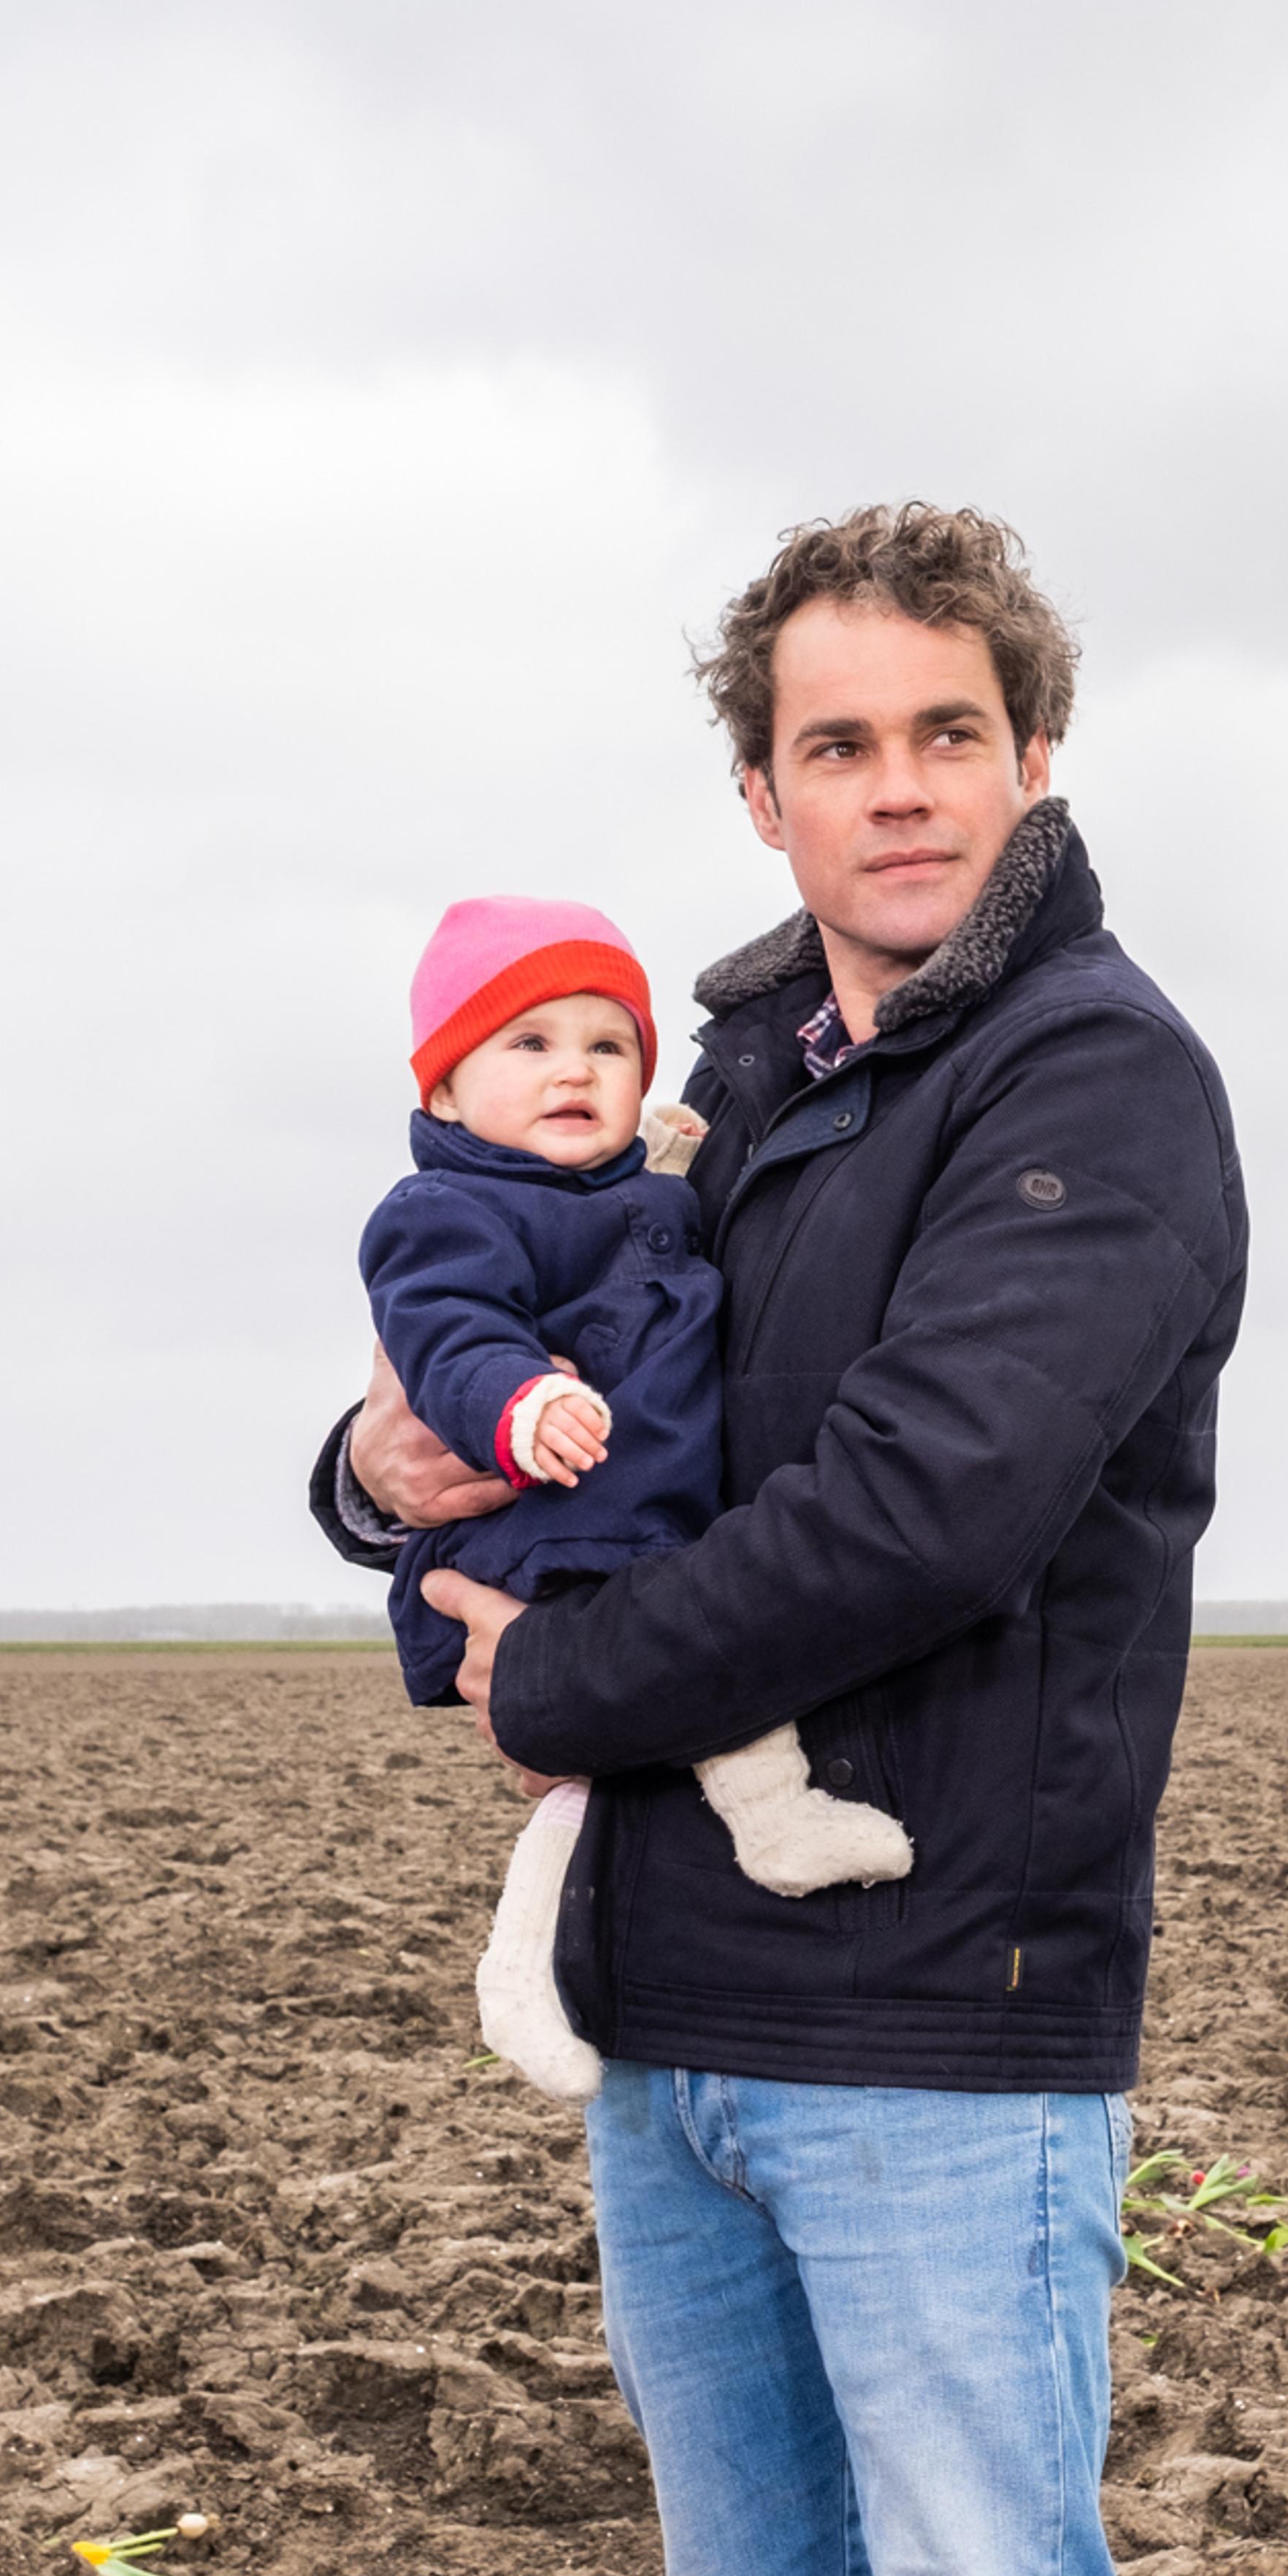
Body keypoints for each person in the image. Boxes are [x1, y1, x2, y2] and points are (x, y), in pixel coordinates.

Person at [310, 502, 1246, 2576]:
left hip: (947, 2019)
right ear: (759, 785)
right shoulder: (712, 1086)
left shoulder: (1094, 1088)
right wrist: (381, 1475)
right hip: (678, 2014)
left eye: (944, 728)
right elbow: (495, 1359)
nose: (893, 783)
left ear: (1028, 750)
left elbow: (930, 1507)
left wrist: (546, 1672)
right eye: (834, 739)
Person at [356, 895, 911, 2092]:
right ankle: (522, 1972)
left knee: (683, 1703)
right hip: (547, 1533)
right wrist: (515, 1405)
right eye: (530, 1043)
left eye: (608, 1046)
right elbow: (446, 1332)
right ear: (443, 1092)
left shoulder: (647, 1186)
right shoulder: (444, 1212)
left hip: (642, 1530)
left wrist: (663, 1163)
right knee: (594, 1767)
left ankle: (773, 1821)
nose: (576, 1070)